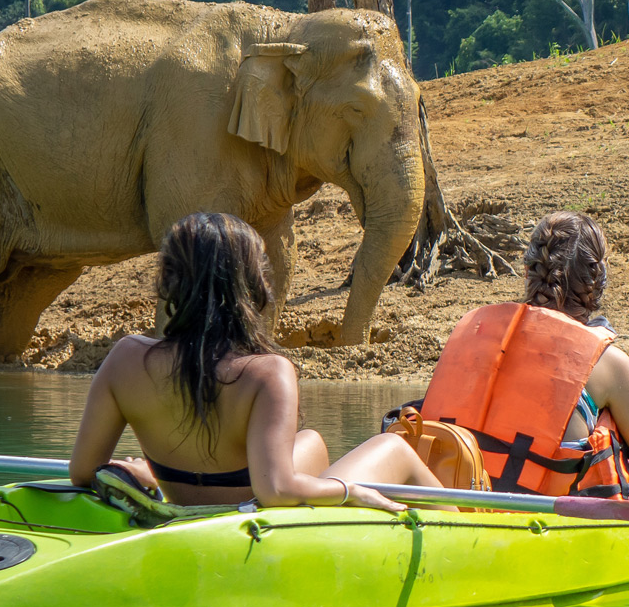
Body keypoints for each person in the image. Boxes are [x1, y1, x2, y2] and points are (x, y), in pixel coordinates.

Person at [70, 211, 449, 512]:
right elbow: (276, 490)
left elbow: (82, 472)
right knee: (395, 449)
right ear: (250, 284)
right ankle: (478, 534)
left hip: (185, 506)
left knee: (312, 443)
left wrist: (140, 470)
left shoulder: (124, 358)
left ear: (170, 281)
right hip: (246, 515)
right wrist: (353, 493)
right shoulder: (267, 372)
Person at [420, 211, 629, 509]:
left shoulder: (478, 332)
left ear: (527, 273)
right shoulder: (608, 364)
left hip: (446, 504)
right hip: (532, 522)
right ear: (597, 282)